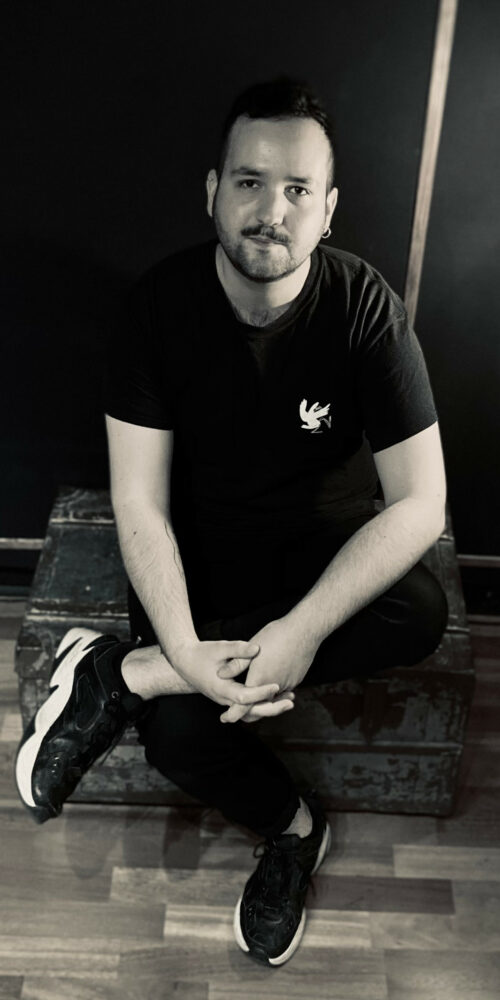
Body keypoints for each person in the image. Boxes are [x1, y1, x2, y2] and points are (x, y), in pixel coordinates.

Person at [15, 77, 448, 967]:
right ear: (212, 190)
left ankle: (118, 673)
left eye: (297, 190)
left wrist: (302, 630)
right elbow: (139, 501)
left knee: (421, 611)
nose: (271, 211)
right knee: (178, 737)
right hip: (204, 555)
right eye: (250, 182)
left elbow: (421, 502)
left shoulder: (365, 309)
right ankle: (294, 830)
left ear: (328, 210)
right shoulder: (156, 309)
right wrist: (185, 648)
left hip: (319, 552)